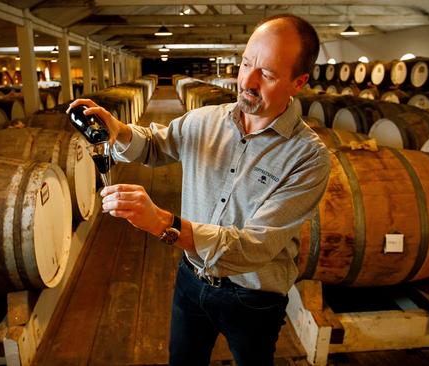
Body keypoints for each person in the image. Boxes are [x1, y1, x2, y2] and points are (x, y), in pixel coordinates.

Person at [68, 13, 331, 366]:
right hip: (192, 280)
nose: (247, 82)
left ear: (298, 82)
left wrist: (164, 223)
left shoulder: (308, 158)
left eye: (266, 74)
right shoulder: (206, 120)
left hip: (253, 297)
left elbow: (254, 247)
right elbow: (154, 146)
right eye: (246, 65)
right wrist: (120, 130)